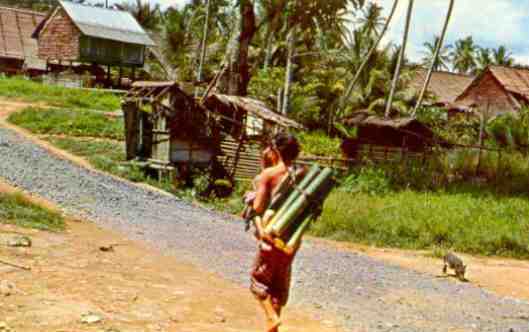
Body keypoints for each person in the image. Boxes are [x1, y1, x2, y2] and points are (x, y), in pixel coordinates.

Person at [249, 133, 301, 332]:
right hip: (291, 241)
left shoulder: (269, 175)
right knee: (278, 289)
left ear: (275, 150)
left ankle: (272, 318)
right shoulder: (301, 174)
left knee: (259, 283)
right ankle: (273, 327)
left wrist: (262, 231)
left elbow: (258, 208)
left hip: (271, 237)